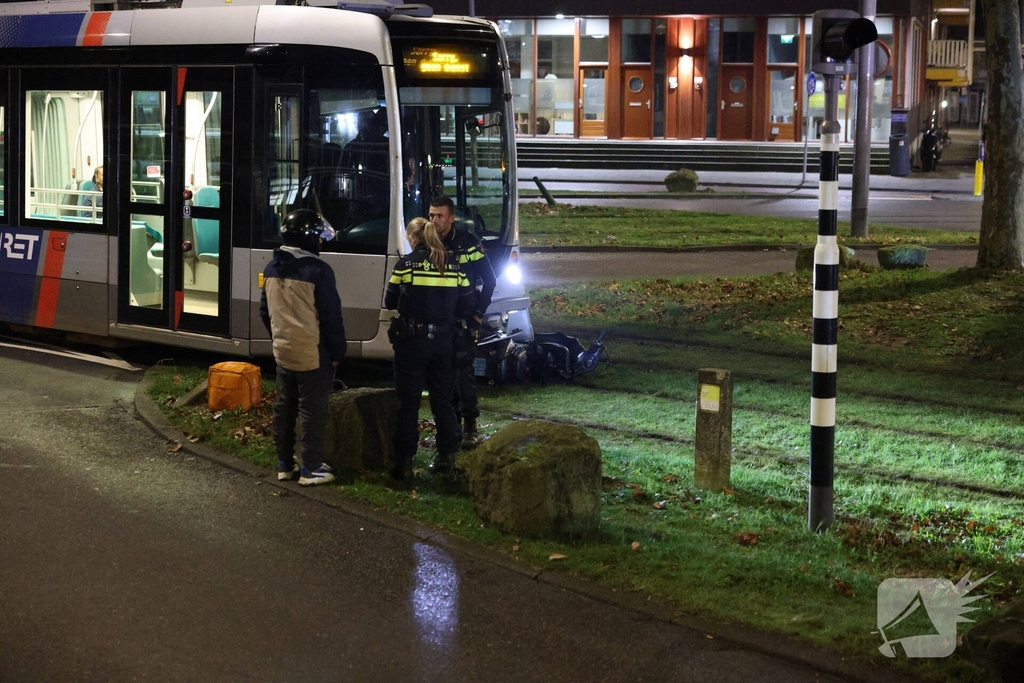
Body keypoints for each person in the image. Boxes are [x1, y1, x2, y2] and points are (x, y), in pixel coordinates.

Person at [259, 209, 347, 486]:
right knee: (312, 409)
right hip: (313, 352)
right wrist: (337, 353)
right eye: (319, 238)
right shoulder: (319, 271)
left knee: (284, 407)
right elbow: (331, 317)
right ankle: (311, 467)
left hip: (283, 351)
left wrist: (280, 338)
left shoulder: (272, 267)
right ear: (309, 239)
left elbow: (265, 311)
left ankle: (285, 464)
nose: (321, 243)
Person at [385, 216, 474, 480]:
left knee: (408, 402)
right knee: (443, 401)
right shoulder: (454, 266)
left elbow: (390, 301)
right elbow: (467, 306)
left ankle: (404, 463)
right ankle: (447, 458)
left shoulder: (406, 265)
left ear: (414, 239)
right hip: (445, 343)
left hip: (412, 343)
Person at [428, 195, 496, 449]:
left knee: (464, 372)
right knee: (440, 375)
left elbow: (489, 281)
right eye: (431, 215)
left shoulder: (468, 242)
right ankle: (449, 426)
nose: (434, 221)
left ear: (452, 217)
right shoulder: (427, 242)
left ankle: (470, 426)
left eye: (439, 216)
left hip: (464, 319)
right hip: (437, 319)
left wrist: (478, 314)